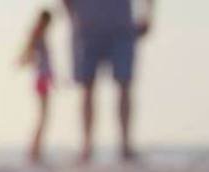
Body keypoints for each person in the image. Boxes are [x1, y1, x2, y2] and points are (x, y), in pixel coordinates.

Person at [63, 0, 155, 162]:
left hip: (121, 27)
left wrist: (148, 15)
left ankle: (125, 145)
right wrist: (72, 17)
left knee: (124, 84)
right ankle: (87, 145)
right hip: (86, 26)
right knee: (87, 87)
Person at [20, 10, 55, 164]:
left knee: (43, 115)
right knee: (43, 115)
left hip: (43, 78)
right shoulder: (37, 34)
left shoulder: (39, 34)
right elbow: (28, 53)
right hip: (41, 78)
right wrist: (27, 59)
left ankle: (36, 149)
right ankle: (34, 150)